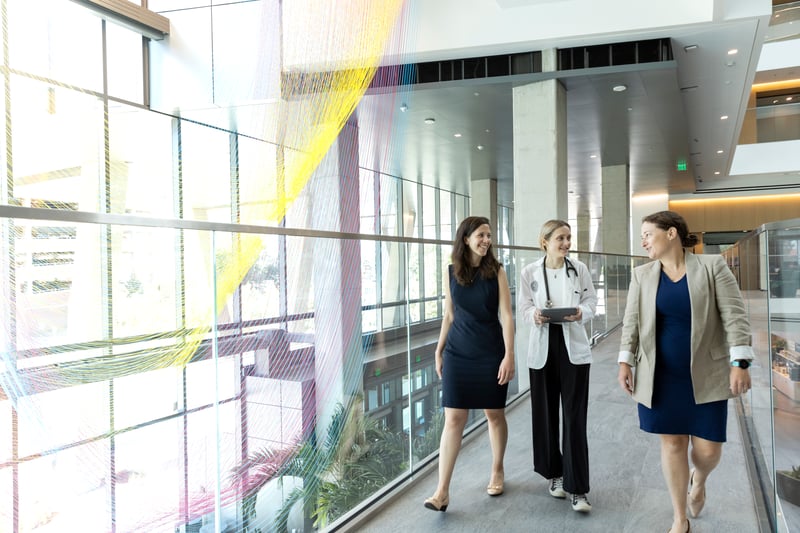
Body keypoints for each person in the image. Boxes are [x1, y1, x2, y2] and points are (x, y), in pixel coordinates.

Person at [617, 211, 754, 533]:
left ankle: (700, 477)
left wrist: (740, 363)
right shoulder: (643, 275)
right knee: (673, 443)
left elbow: (735, 317)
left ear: (672, 234)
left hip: (706, 373)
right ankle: (680, 517)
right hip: (660, 376)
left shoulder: (712, 267)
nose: (643, 241)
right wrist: (626, 361)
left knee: (707, 450)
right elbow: (632, 322)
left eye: (648, 234)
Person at [423, 216, 515, 513]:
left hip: (489, 351)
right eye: (481, 235)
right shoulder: (452, 272)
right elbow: (449, 315)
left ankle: (497, 469)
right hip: (457, 353)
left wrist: (509, 355)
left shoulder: (497, 272)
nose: (486, 240)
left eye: (489, 235)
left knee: (494, 414)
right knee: (453, 419)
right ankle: (442, 492)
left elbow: (507, 316)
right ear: (465, 239)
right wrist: (438, 350)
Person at [518, 219, 598, 513]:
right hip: (543, 347)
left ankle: (579, 489)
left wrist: (581, 313)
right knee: (546, 414)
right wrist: (534, 316)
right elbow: (524, 308)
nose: (566, 244)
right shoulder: (529, 272)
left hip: (572, 347)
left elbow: (591, 301)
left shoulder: (579, 270)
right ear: (545, 241)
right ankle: (555, 475)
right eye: (561, 239)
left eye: (568, 238)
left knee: (575, 417)